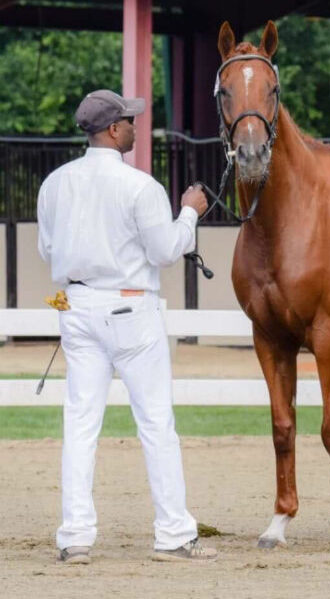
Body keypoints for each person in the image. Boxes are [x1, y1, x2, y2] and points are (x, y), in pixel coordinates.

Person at [37, 89, 216, 564]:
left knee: (80, 424)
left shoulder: (54, 183)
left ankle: (75, 537)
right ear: (114, 130)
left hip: (78, 305)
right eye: (130, 121)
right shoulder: (142, 187)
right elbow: (165, 251)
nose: (137, 127)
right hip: (131, 308)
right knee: (156, 423)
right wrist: (190, 212)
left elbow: (47, 251)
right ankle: (173, 534)